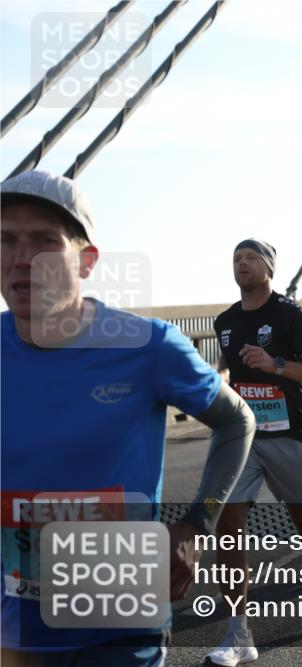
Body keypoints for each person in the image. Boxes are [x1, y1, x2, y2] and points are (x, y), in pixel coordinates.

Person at [1, 171, 255, 666]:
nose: (22, 259)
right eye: (6, 240)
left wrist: (197, 526)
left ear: (87, 261)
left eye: (46, 242)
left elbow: (237, 421)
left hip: (117, 627)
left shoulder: (147, 346)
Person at [207, 239, 302, 666]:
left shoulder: (288, 315)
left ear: (268, 268)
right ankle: (237, 633)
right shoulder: (225, 320)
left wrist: (277, 365)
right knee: (227, 521)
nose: (241, 264)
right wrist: (221, 377)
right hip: (242, 436)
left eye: (249, 258)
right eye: (235, 259)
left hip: (290, 434)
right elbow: (230, 363)